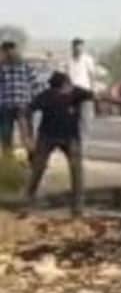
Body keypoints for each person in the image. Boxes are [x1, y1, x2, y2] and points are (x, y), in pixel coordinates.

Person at [24, 69, 88, 215]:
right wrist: (29, 135)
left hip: (69, 137)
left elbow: (98, 97)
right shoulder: (47, 96)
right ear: (62, 85)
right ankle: (27, 200)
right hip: (48, 136)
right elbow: (28, 110)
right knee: (38, 168)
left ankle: (77, 207)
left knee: (76, 169)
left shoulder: (76, 93)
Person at [0, 39, 36, 158]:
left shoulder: (25, 66)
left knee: (26, 136)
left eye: (11, 51)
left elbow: (34, 84)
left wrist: (34, 103)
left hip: (23, 106)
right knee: (6, 135)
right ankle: (8, 160)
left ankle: (33, 159)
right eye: (6, 52)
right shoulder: (2, 67)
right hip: (6, 107)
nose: (9, 54)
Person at [65, 38, 101, 135]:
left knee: (85, 118)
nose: (78, 49)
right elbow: (67, 77)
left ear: (83, 48)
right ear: (72, 47)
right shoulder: (69, 60)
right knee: (72, 116)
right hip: (73, 91)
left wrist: (93, 90)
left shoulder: (87, 59)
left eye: (80, 47)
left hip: (85, 90)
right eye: (76, 47)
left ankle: (83, 138)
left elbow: (92, 75)